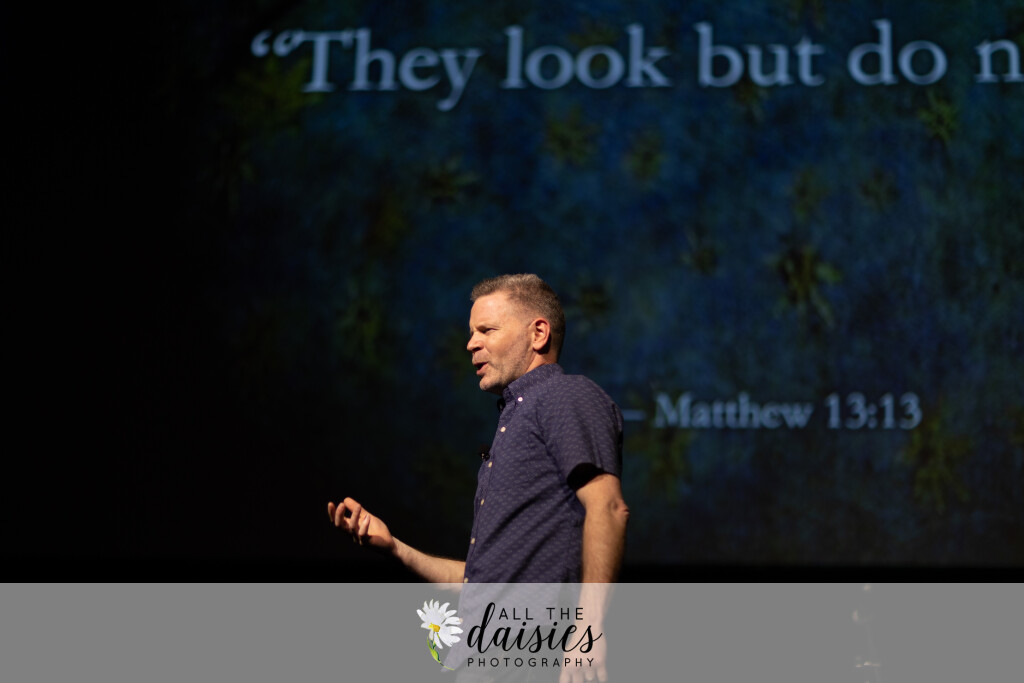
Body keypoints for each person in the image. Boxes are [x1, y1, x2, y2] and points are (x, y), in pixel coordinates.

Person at [327, 274, 629, 584]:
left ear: (538, 334)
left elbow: (608, 507)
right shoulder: (515, 418)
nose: (471, 344)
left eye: (487, 330)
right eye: (472, 333)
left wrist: (589, 613)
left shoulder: (564, 394)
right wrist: (395, 549)